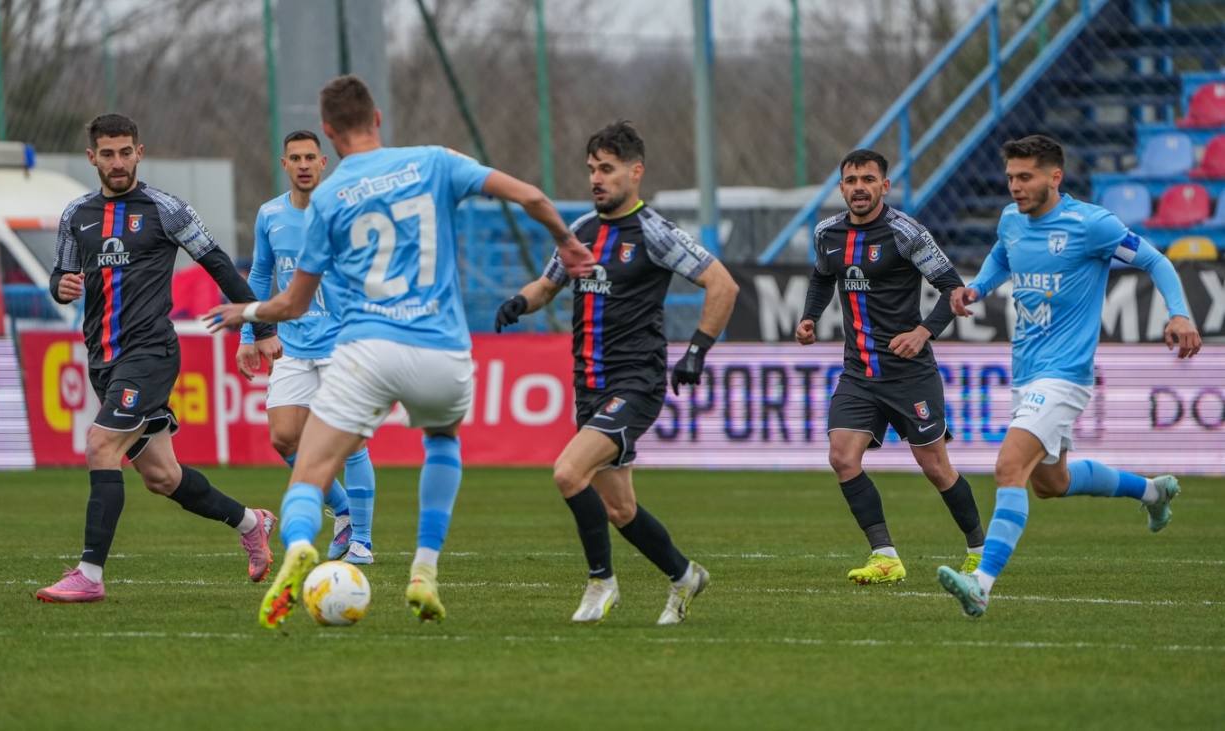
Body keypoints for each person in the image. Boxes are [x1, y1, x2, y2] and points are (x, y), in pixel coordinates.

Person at [204, 74, 593, 629]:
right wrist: (567, 243)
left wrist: (245, 314)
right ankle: (424, 568)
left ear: (329, 134)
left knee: (312, 466)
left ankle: (300, 546)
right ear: (378, 119)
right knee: (442, 442)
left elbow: (292, 303)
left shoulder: (329, 198)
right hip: (442, 350)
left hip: (368, 349)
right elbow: (531, 196)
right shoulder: (434, 161)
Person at [938, 134, 1202, 617]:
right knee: (1050, 483)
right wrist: (976, 288)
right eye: (1011, 177)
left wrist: (1179, 314)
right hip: (1027, 372)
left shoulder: (1091, 225)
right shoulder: (1011, 219)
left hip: (1065, 374)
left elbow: (1155, 260)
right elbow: (1003, 254)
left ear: (1054, 177)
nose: (1015, 187)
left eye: (1026, 177)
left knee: (1008, 468)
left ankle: (981, 585)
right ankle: (1153, 491)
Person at [495, 121, 739, 625]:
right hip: (588, 384)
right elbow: (547, 285)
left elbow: (723, 284)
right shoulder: (580, 231)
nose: (596, 178)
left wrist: (697, 350)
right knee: (620, 510)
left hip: (636, 383)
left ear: (635, 172)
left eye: (607, 169)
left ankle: (601, 582)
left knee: (568, 472)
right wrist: (520, 301)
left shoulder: (655, 232)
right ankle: (684, 575)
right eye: (592, 169)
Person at [37, 113, 279, 603]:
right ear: (92, 158)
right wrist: (60, 287)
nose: (118, 162)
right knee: (162, 476)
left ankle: (89, 574)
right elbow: (61, 276)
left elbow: (219, 265)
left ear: (139, 153)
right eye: (108, 154)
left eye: (126, 152)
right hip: (103, 360)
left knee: (101, 445)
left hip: (150, 353)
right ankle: (251, 523)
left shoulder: (166, 210)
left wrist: (262, 327)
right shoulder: (75, 215)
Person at [796, 149, 985, 585]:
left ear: (884, 186)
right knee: (842, 457)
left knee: (935, 467)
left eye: (868, 179)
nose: (859, 188)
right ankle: (885, 557)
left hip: (908, 372)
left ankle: (980, 549)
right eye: (851, 180)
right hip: (858, 372)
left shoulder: (905, 232)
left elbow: (952, 288)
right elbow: (823, 275)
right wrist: (810, 317)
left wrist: (923, 332)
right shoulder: (826, 233)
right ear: (841, 188)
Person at [237, 130, 378, 566]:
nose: (302, 165)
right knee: (283, 438)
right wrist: (248, 336)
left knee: (351, 440)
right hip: (292, 345)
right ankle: (344, 509)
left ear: (323, 163)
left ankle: (363, 542)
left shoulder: (344, 211)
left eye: (310, 158)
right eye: (295, 158)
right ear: (284, 164)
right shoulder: (269, 215)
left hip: (341, 343)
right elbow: (261, 275)